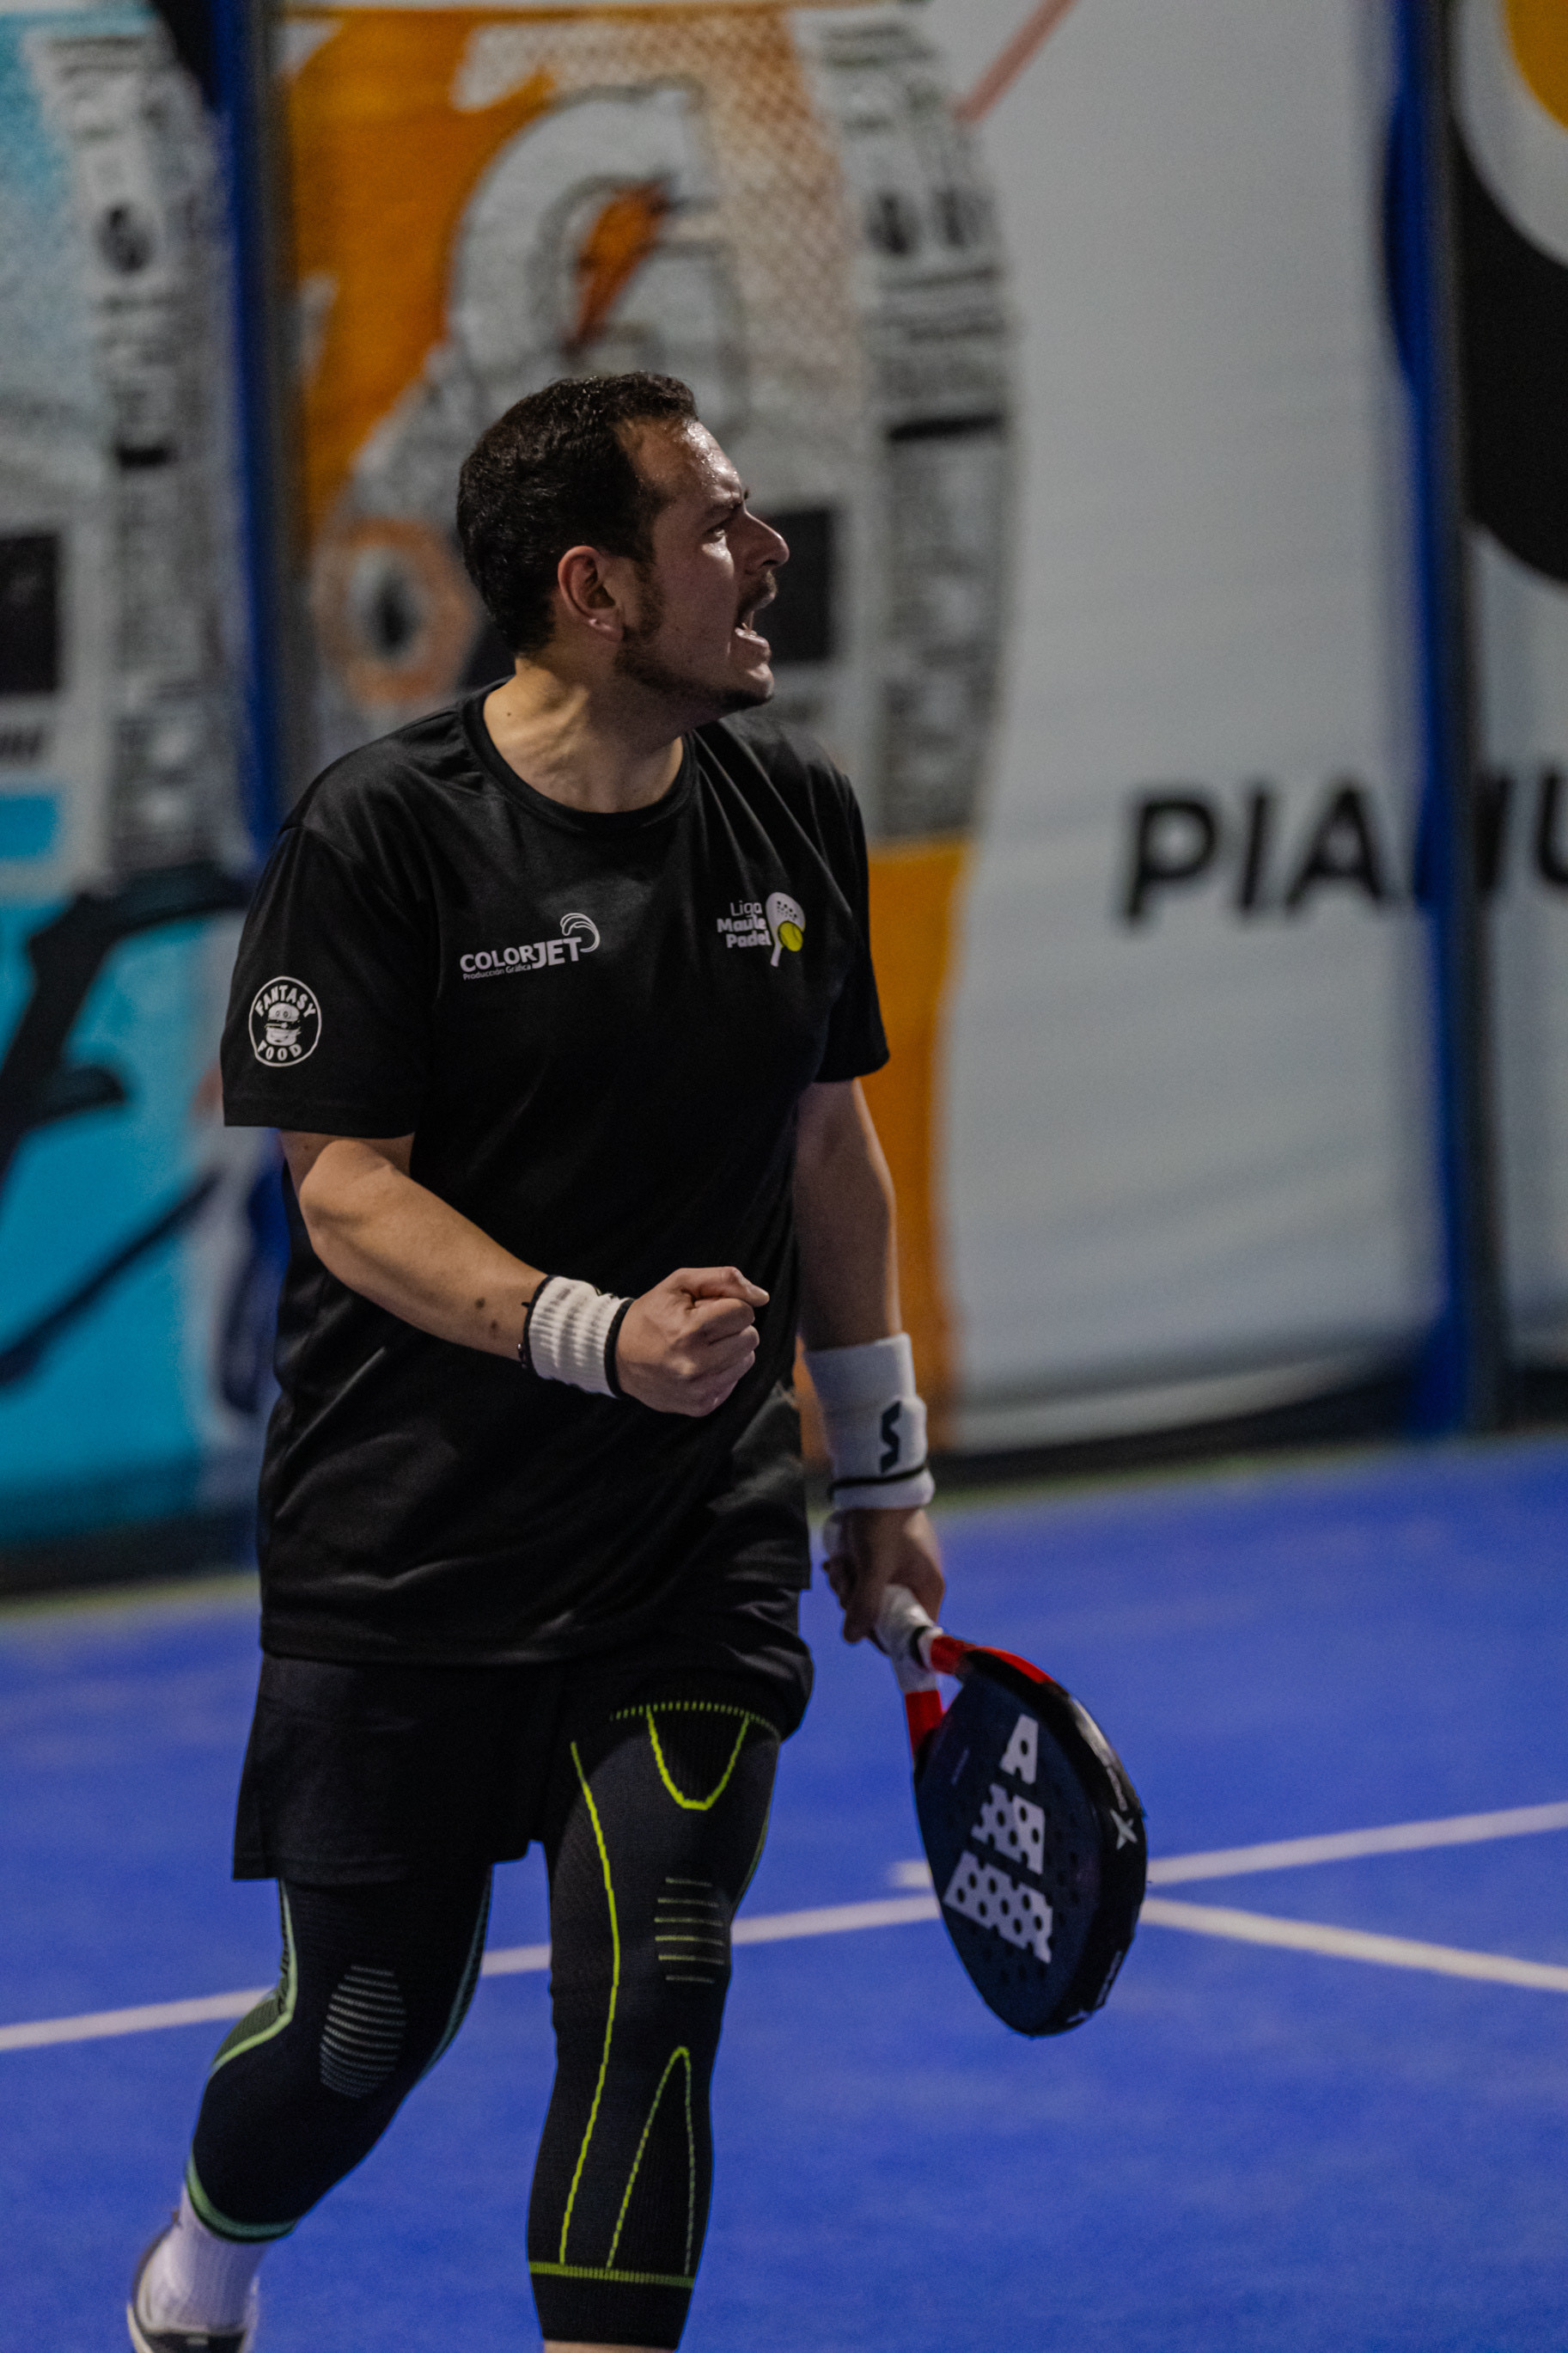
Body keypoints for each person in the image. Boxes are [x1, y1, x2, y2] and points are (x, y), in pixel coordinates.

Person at [128, 370, 944, 2353]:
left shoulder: (793, 813)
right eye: (715, 524)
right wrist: (591, 1334)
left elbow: (825, 1146)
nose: (765, 553)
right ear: (591, 587)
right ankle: (206, 2269)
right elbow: (346, 1195)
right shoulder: (381, 835)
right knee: (363, 2024)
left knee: (658, 1985)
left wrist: (882, 1468)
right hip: (408, 1540)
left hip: (687, 1535)